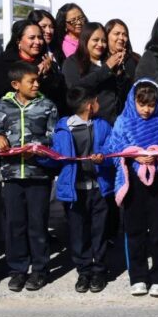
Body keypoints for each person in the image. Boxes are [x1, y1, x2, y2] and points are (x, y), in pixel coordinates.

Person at [0, 61, 58, 292]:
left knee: (37, 224)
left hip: (38, 175)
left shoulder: (47, 106)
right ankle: (18, 270)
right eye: (31, 81)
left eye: (38, 80)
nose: (36, 84)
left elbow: (53, 138)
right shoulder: (3, 105)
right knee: (15, 224)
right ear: (16, 84)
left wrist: (38, 148)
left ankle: (40, 270)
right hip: (11, 176)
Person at [106, 79, 158, 298]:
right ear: (132, 101)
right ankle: (137, 277)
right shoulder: (123, 122)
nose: (146, 109)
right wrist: (133, 154)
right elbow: (113, 148)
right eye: (142, 103)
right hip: (133, 182)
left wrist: (157, 151)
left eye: (151, 104)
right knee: (134, 231)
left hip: (157, 180)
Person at [50, 86, 114, 293]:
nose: (98, 104)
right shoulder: (63, 129)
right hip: (75, 191)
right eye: (96, 100)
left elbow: (111, 147)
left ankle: (99, 270)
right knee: (78, 232)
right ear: (89, 105)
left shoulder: (102, 125)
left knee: (100, 231)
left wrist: (102, 156)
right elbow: (57, 156)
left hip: (99, 189)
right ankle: (84, 271)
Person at [0, 20, 67, 113]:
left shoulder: (48, 63)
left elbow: (60, 97)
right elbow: (0, 94)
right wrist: (33, 74)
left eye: (40, 37)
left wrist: (48, 75)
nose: (37, 42)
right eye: (32, 38)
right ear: (18, 40)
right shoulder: (1, 62)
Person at [62, 22, 129, 124]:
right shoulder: (72, 62)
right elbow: (75, 89)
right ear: (85, 40)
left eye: (103, 41)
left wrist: (119, 73)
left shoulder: (108, 60)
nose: (100, 44)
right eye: (95, 40)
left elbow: (119, 95)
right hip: (88, 126)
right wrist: (106, 68)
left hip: (113, 123)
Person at [104, 19, 140, 116]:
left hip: (132, 113)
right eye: (117, 33)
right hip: (108, 115)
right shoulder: (102, 61)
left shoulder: (135, 59)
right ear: (106, 35)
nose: (121, 37)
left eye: (124, 34)